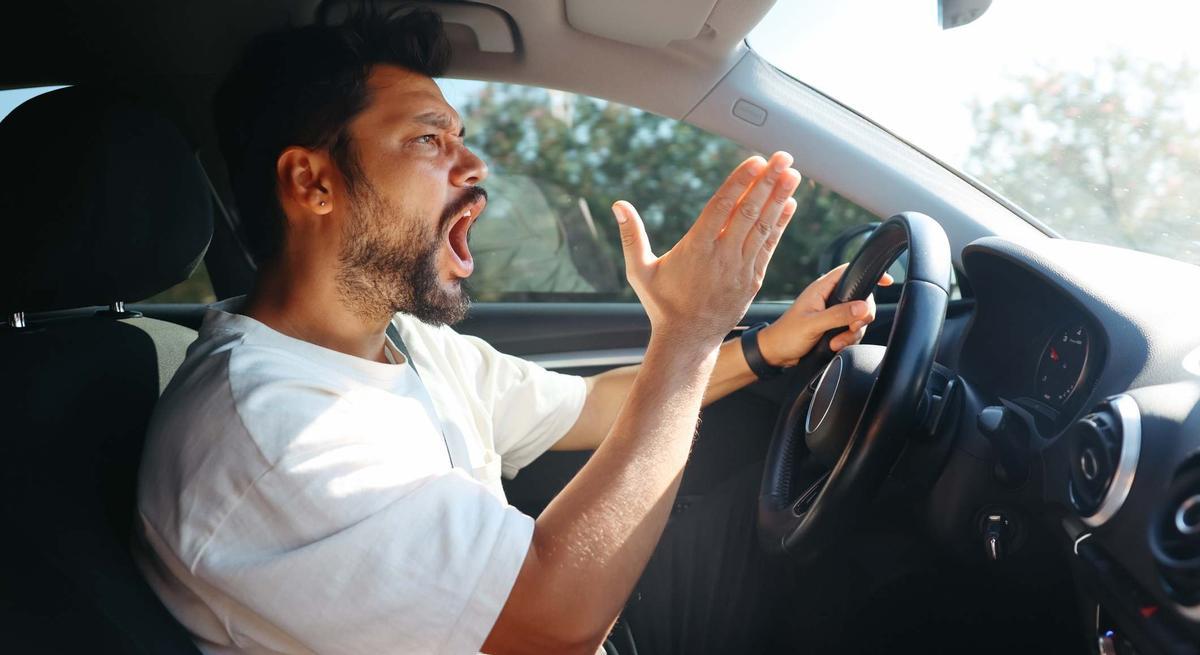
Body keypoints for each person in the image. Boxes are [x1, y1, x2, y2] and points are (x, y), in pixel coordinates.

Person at [133, 7, 883, 655]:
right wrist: (686, 333)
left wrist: (768, 345)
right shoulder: (267, 432)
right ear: (312, 182)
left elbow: (591, 406)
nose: (474, 163)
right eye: (429, 140)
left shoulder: (405, 344)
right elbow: (551, 627)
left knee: (823, 540)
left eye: (459, 136)